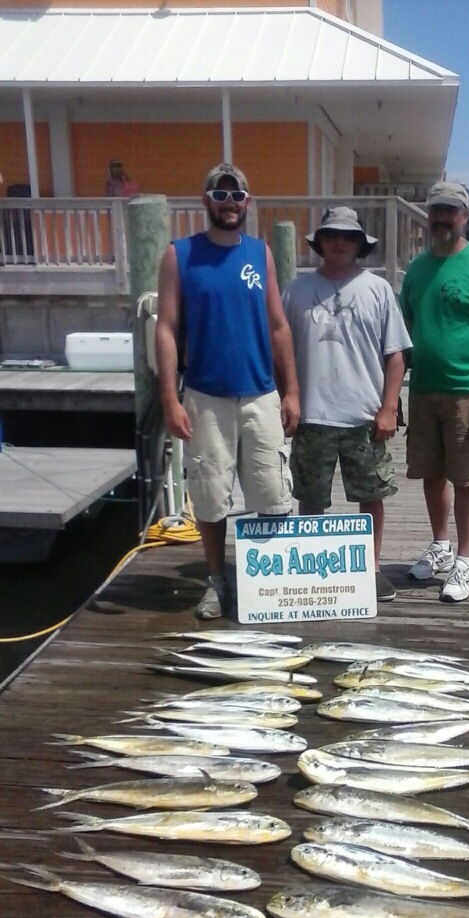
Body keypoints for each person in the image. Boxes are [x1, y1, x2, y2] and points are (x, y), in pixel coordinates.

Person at [155, 162, 300, 619]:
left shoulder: (261, 254)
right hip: (205, 397)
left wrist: (292, 390)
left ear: (247, 202)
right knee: (211, 497)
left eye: (237, 195)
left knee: (272, 495)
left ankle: (269, 584)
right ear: (206, 201)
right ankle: (216, 580)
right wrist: (168, 398)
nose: (230, 203)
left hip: (260, 394)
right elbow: (166, 328)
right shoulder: (180, 254)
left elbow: (279, 327)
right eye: (220, 195)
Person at [282, 206, 412, 603]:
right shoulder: (294, 290)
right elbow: (280, 349)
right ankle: (311, 565)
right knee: (311, 497)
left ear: (359, 244)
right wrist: (287, 397)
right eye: (332, 235)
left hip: (364, 417)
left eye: (348, 236)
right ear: (319, 242)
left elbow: (396, 354)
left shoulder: (378, 289)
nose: (339, 242)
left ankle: (371, 568)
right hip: (312, 416)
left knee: (371, 495)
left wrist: (389, 408)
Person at [399, 181, 469, 603]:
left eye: (451, 210)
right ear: (428, 216)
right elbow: (405, 332)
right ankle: (441, 547)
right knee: (430, 473)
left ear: (465, 217)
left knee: (466, 477)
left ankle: (465, 562)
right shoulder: (416, 269)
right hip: (423, 389)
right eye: (436, 210)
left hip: (468, 393)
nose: (443, 217)